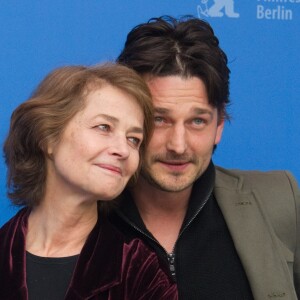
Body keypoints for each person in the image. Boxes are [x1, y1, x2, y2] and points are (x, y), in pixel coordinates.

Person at [108, 15, 300, 299]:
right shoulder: (85, 216)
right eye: (160, 119)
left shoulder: (279, 199)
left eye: (197, 121)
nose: (178, 145)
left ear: (219, 125)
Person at [0, 64, 177, 299]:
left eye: (134, 139)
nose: (123, 150)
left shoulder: (141, 271)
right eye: (104, 127)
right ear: (47, 138)